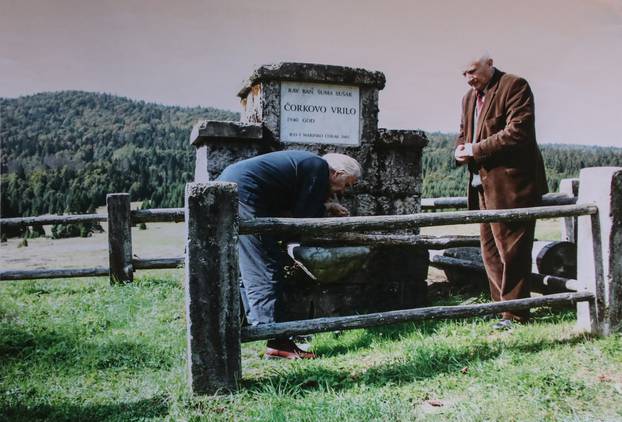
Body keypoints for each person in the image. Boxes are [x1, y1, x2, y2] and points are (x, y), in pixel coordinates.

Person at [216, 150, 361, 358]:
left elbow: (292, 205)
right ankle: (277, 342)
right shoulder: (319, 167)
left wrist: (326, 205)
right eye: (347, 183)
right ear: (337, 173)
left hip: (233, 188)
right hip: (245, 193)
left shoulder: (307, 165)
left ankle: (257, 328)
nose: (344, 190)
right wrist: (325, 213)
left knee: (250, 267)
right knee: (266, 265)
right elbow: (304, 218)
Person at [454, 54, 548, 330]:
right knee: (491, 251)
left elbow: (518, 131)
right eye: (464, 74)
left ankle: (516, 314)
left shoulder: (514, 85)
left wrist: (474, 149)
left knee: (513, 252)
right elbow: (464, 133)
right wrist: (460, 149)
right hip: (481, 186)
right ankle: (501, 309)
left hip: (513, 185)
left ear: (489, 63)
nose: (469, 78)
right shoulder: (468, 98)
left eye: (472, 71)